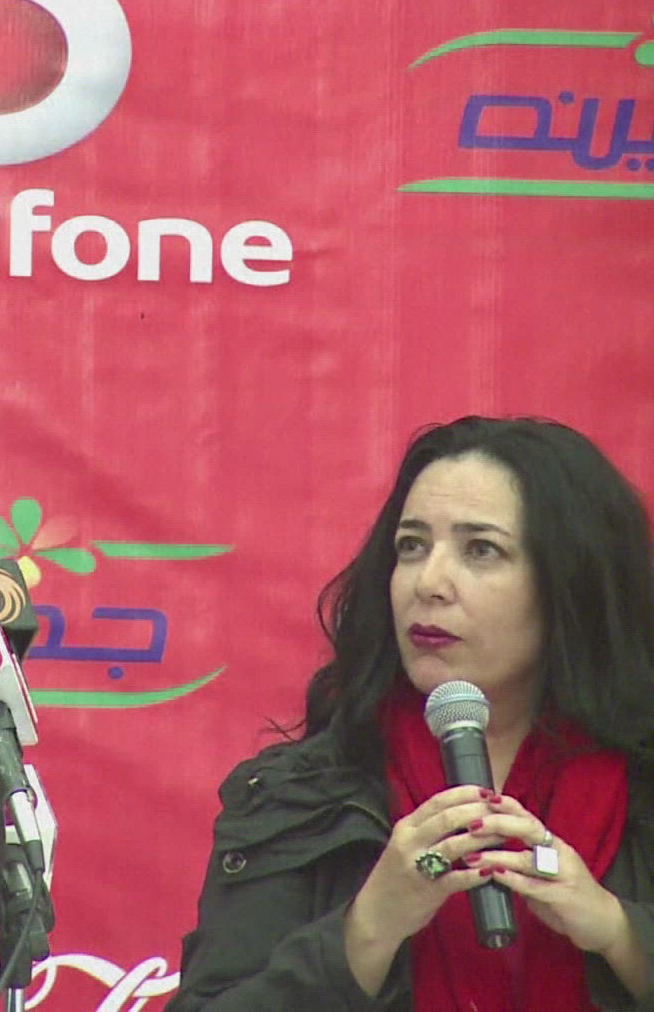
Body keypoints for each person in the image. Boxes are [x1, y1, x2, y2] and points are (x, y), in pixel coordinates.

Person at [171, 416, 654, 1010]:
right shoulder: (295, 795)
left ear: (568, 582)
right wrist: (367, 930)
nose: (429, 583)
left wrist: (620, 933)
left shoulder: (641, 786)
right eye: (412, 546)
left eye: (481, 550)